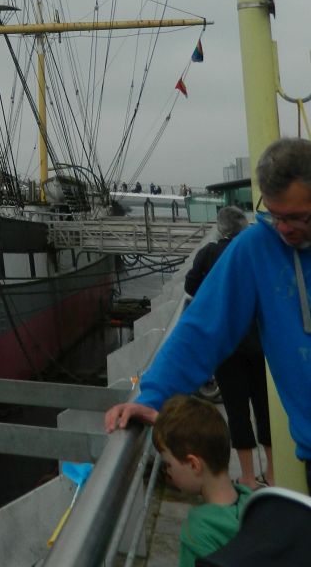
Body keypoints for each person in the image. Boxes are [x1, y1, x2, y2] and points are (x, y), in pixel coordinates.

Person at [106, 137, 311, 495]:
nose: (283, 228)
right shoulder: (256, 248)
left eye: (295, 217)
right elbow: (201, 330)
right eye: (272, 214)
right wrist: (150, 398)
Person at [185, 205, 273, 488]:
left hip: (227, 347)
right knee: (264, 407)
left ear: (220, 227)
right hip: (259, 345)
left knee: (237, 410)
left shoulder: (209, 254)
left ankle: (247, 477)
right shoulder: (254, 253)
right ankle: (272, 473)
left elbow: (190, 286)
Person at [152, 394, 252, 567]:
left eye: (168, 465)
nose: (167, 472)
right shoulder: (253, 504)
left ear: (193, 464)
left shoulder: (197, 532)